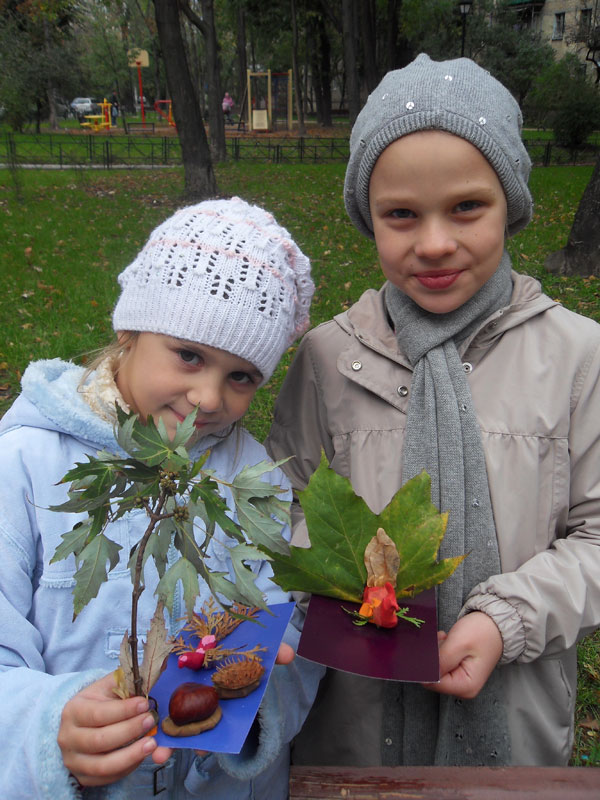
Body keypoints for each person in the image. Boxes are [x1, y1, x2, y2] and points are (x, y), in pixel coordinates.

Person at [266, 53, 600, 767]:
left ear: (511, 202)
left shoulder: (577, 358)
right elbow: (279, 506)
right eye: (401, 216)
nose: (436, 243)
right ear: (369, 218)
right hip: (350, 728)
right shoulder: (327, 359)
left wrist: (503, 620)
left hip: (515, 725)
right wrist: (342, 574)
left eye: (467, 208)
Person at [0, 197, 322, 798]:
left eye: (241, 376)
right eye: (190, 355)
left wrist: (265, 690)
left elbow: (290, 628)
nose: (207, 397)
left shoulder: (253, 479)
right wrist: (48, 728)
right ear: (131, 329)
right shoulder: (26, 466)